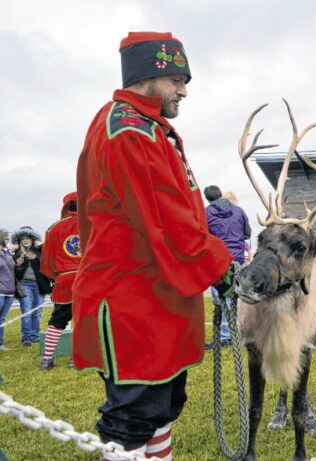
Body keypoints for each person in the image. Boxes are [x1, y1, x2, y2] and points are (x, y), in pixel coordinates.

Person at [72, 31, 233, 461]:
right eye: (178, 80)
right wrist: (223, 268)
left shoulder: (146, 127)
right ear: (149, 75)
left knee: (161, 409)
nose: (183, 91)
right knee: (132, 419)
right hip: (132, 301)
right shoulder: (129, 131)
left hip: (154, 295)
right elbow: (167, 221)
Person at [203, 185, 251, 349]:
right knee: (235, 296)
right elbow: (248, 233)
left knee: (221, 297)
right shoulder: (239, 211)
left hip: (219, 261)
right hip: (238, 260)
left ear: (208, 198)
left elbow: (202, 235)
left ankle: (225, 336)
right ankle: (236, 332)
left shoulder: (206, 212)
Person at [38, 192, 81, 370]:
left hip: (64, 280)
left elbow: (46, 261)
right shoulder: (93, 225)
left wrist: (55, 278)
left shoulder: (53, 228)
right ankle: (75, 359)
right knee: (81, 321)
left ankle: (47, 359)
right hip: (86, 278)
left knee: (57, 320)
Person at [12, 226, 51, 347]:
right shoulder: (16, 253)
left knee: (37, 312)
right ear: (19, 240)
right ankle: (27, 338)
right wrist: (17, 265)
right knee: (27, 312)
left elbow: (50, 255)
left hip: (39, 286)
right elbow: (14, 273)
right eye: (22, 238)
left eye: (28, 237)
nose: (25, 240)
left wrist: (42, 245)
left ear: (33, 239)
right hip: (25, 285)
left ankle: (35, 336)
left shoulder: (39, 251)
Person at [0, 228, 15, 351]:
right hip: (0, 292)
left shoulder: (7, 253)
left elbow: (11, 268)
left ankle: (0, 344)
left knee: (2, 319)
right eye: (5, 238)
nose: (7, 240)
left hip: (9, 291)